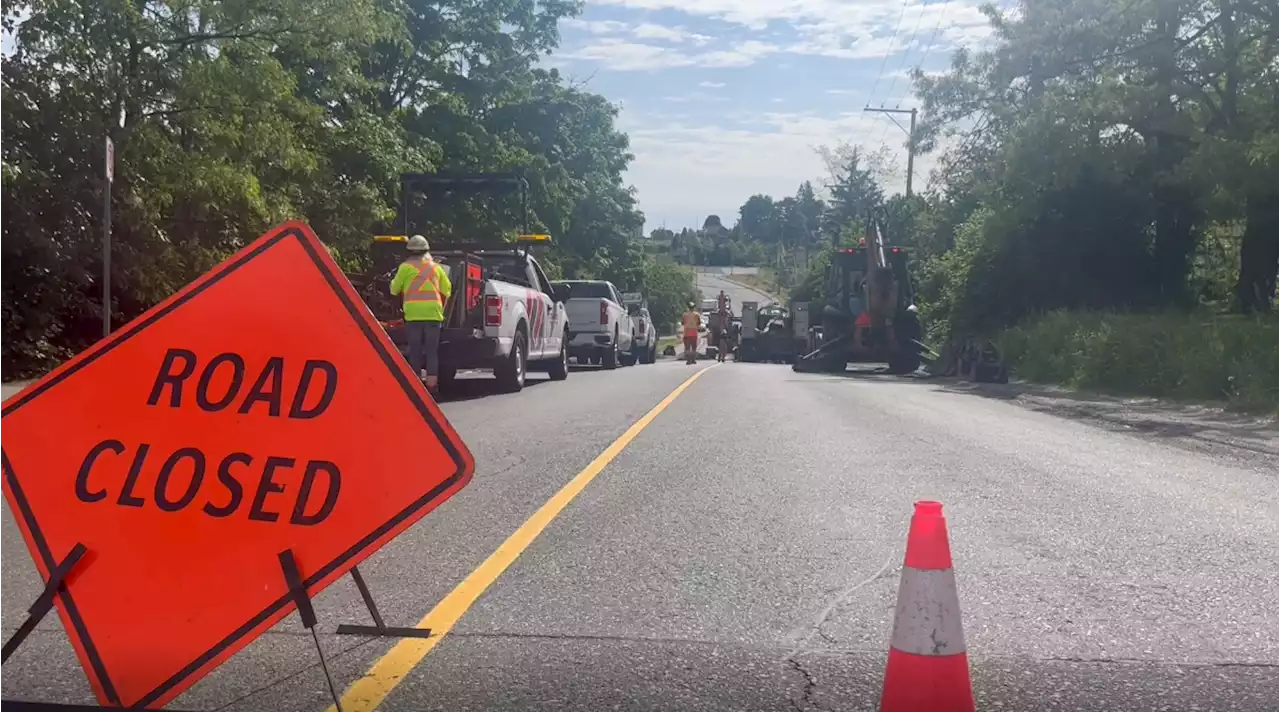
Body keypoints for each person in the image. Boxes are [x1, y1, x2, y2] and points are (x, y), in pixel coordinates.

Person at [390, 235, 452, 390]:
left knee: (415, 350)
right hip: (433, 314)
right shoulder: (436, 267)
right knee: (432, 351)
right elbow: (447, 290)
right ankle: (432, 385)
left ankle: (416, 385)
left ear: (409, 251)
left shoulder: (405, 267)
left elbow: (394, 289)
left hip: (413, 314)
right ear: (426, 250)